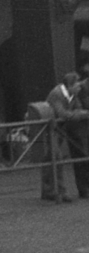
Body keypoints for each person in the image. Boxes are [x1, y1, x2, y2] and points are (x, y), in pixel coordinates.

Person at [44, 69, 88, 203]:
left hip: (59, 129)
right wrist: (83, 114)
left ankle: (52, 190)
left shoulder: (72, 95)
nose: (79, 87)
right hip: (49, 129)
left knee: (54, 158)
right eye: (76, 85)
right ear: (69, 85)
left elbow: (77, 108)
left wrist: (80, 112)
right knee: (54, 157)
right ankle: (57, 190)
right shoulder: (57, 94)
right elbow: (63, 113)